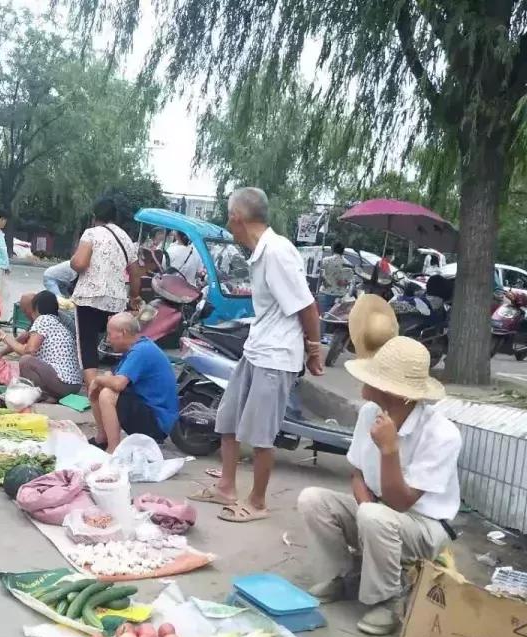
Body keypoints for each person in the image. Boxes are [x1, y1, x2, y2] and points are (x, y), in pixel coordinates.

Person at [297, 335, 460, 636]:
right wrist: (366, 511)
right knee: (313, 499)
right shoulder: (369, 413)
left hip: (423, 527)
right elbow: (357, 474)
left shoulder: (442, 434)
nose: (363, 381)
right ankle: (345, 576)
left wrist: (389, 450)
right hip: (378, 513)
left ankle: (388, 600)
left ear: (396, 393)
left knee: (374, 516)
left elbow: (401, 503)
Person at [189, 187, 324, 523]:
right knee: (228, 418)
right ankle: (226, 486)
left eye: (228, 217)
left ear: (237, 218)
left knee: (262, 434)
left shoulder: (277, 252)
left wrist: (313, 350)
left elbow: (307, 307)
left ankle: (258, 502)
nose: (227, 224)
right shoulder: (261, 252)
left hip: (276, 355)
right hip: (256, 348)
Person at [70, 196, 140, 389]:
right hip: (116, 300)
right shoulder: (125, 238)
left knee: (88, 343)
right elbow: (135, 273)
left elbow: (80, 263)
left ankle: (92, 390)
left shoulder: (91, 233)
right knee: (117, 342)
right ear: (114, 216)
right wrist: (134, 296)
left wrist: (72, 261)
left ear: (95, 216)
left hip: (89, 297)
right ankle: (118, 382)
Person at [89, 313, 178, 452]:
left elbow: (118, 384)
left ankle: (113, 449)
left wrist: (98, 379)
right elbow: (114, 375)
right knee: (102, 385)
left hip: (157, 423)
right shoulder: (138, 347)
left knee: (108, 394)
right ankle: (103, 437)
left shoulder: (141, 350)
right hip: (148, 412)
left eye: (110, 334)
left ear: (123, 333)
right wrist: (102, 379)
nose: (108, 339)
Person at [0, 291, 83, 401]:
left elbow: (29, 350)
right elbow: (24, 338)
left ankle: (43, 395)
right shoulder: (55, 322)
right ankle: (50, 395)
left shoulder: (43, 319)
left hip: (64, 383)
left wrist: (5, 337)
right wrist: (1, 353)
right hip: (74, 385)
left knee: (26, 361)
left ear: (36, 309)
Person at [318, 241, 353, 314]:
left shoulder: (326, 260)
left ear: (332, 250)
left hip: (326, 292)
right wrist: (344, 282)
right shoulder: (348, 264)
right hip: (340, 295)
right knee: (336, 317)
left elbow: (317, 271)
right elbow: (349, 281)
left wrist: (323, 279)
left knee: (324, 316)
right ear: (343, 251)